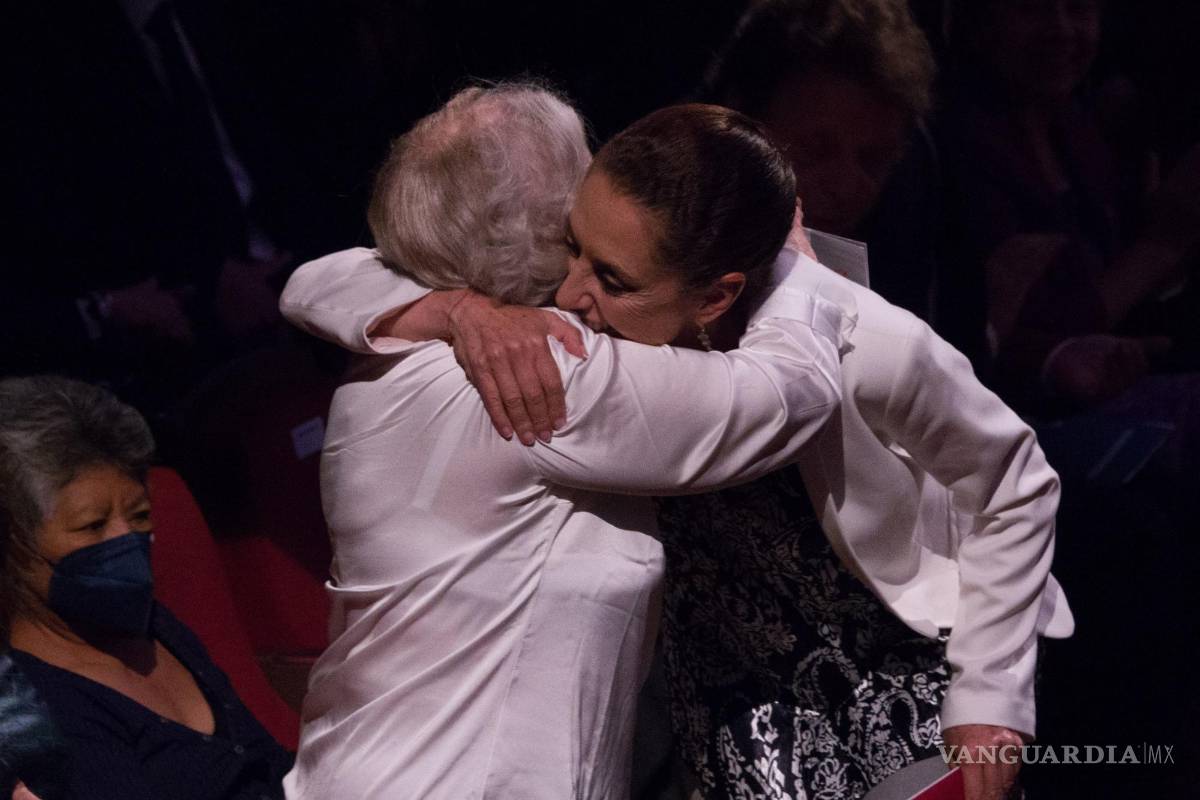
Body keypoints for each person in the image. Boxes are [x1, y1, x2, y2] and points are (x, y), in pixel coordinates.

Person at [290, 88, 1073, 799]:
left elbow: (1016, 484)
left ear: (715, 294)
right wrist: (458, 308)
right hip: (730, 707)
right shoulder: (575, 341)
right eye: (570, 246)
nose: (572, 293)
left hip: (883, 680)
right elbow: (332, 276)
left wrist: (990, 695)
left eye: (611, 278)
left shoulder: (861, 342)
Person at [279, 85, 847, 799]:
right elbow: (788, 395)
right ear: (546, 232)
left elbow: (318, 281)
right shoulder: (545, 374)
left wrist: (453, 307)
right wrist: (795, 265)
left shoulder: (395, 344)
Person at [0, 375, 293, 800]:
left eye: (139, 516)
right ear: (13, 544)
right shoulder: (37, 708)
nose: (126, 540)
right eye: (92, 526)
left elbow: (267, 761)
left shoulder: (154, 626)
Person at [698, 0, 945, 328]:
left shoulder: (903, 226)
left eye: (873, 159)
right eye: (815, 150)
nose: (846, 187)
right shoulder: (655, 226)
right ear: (739, 120)